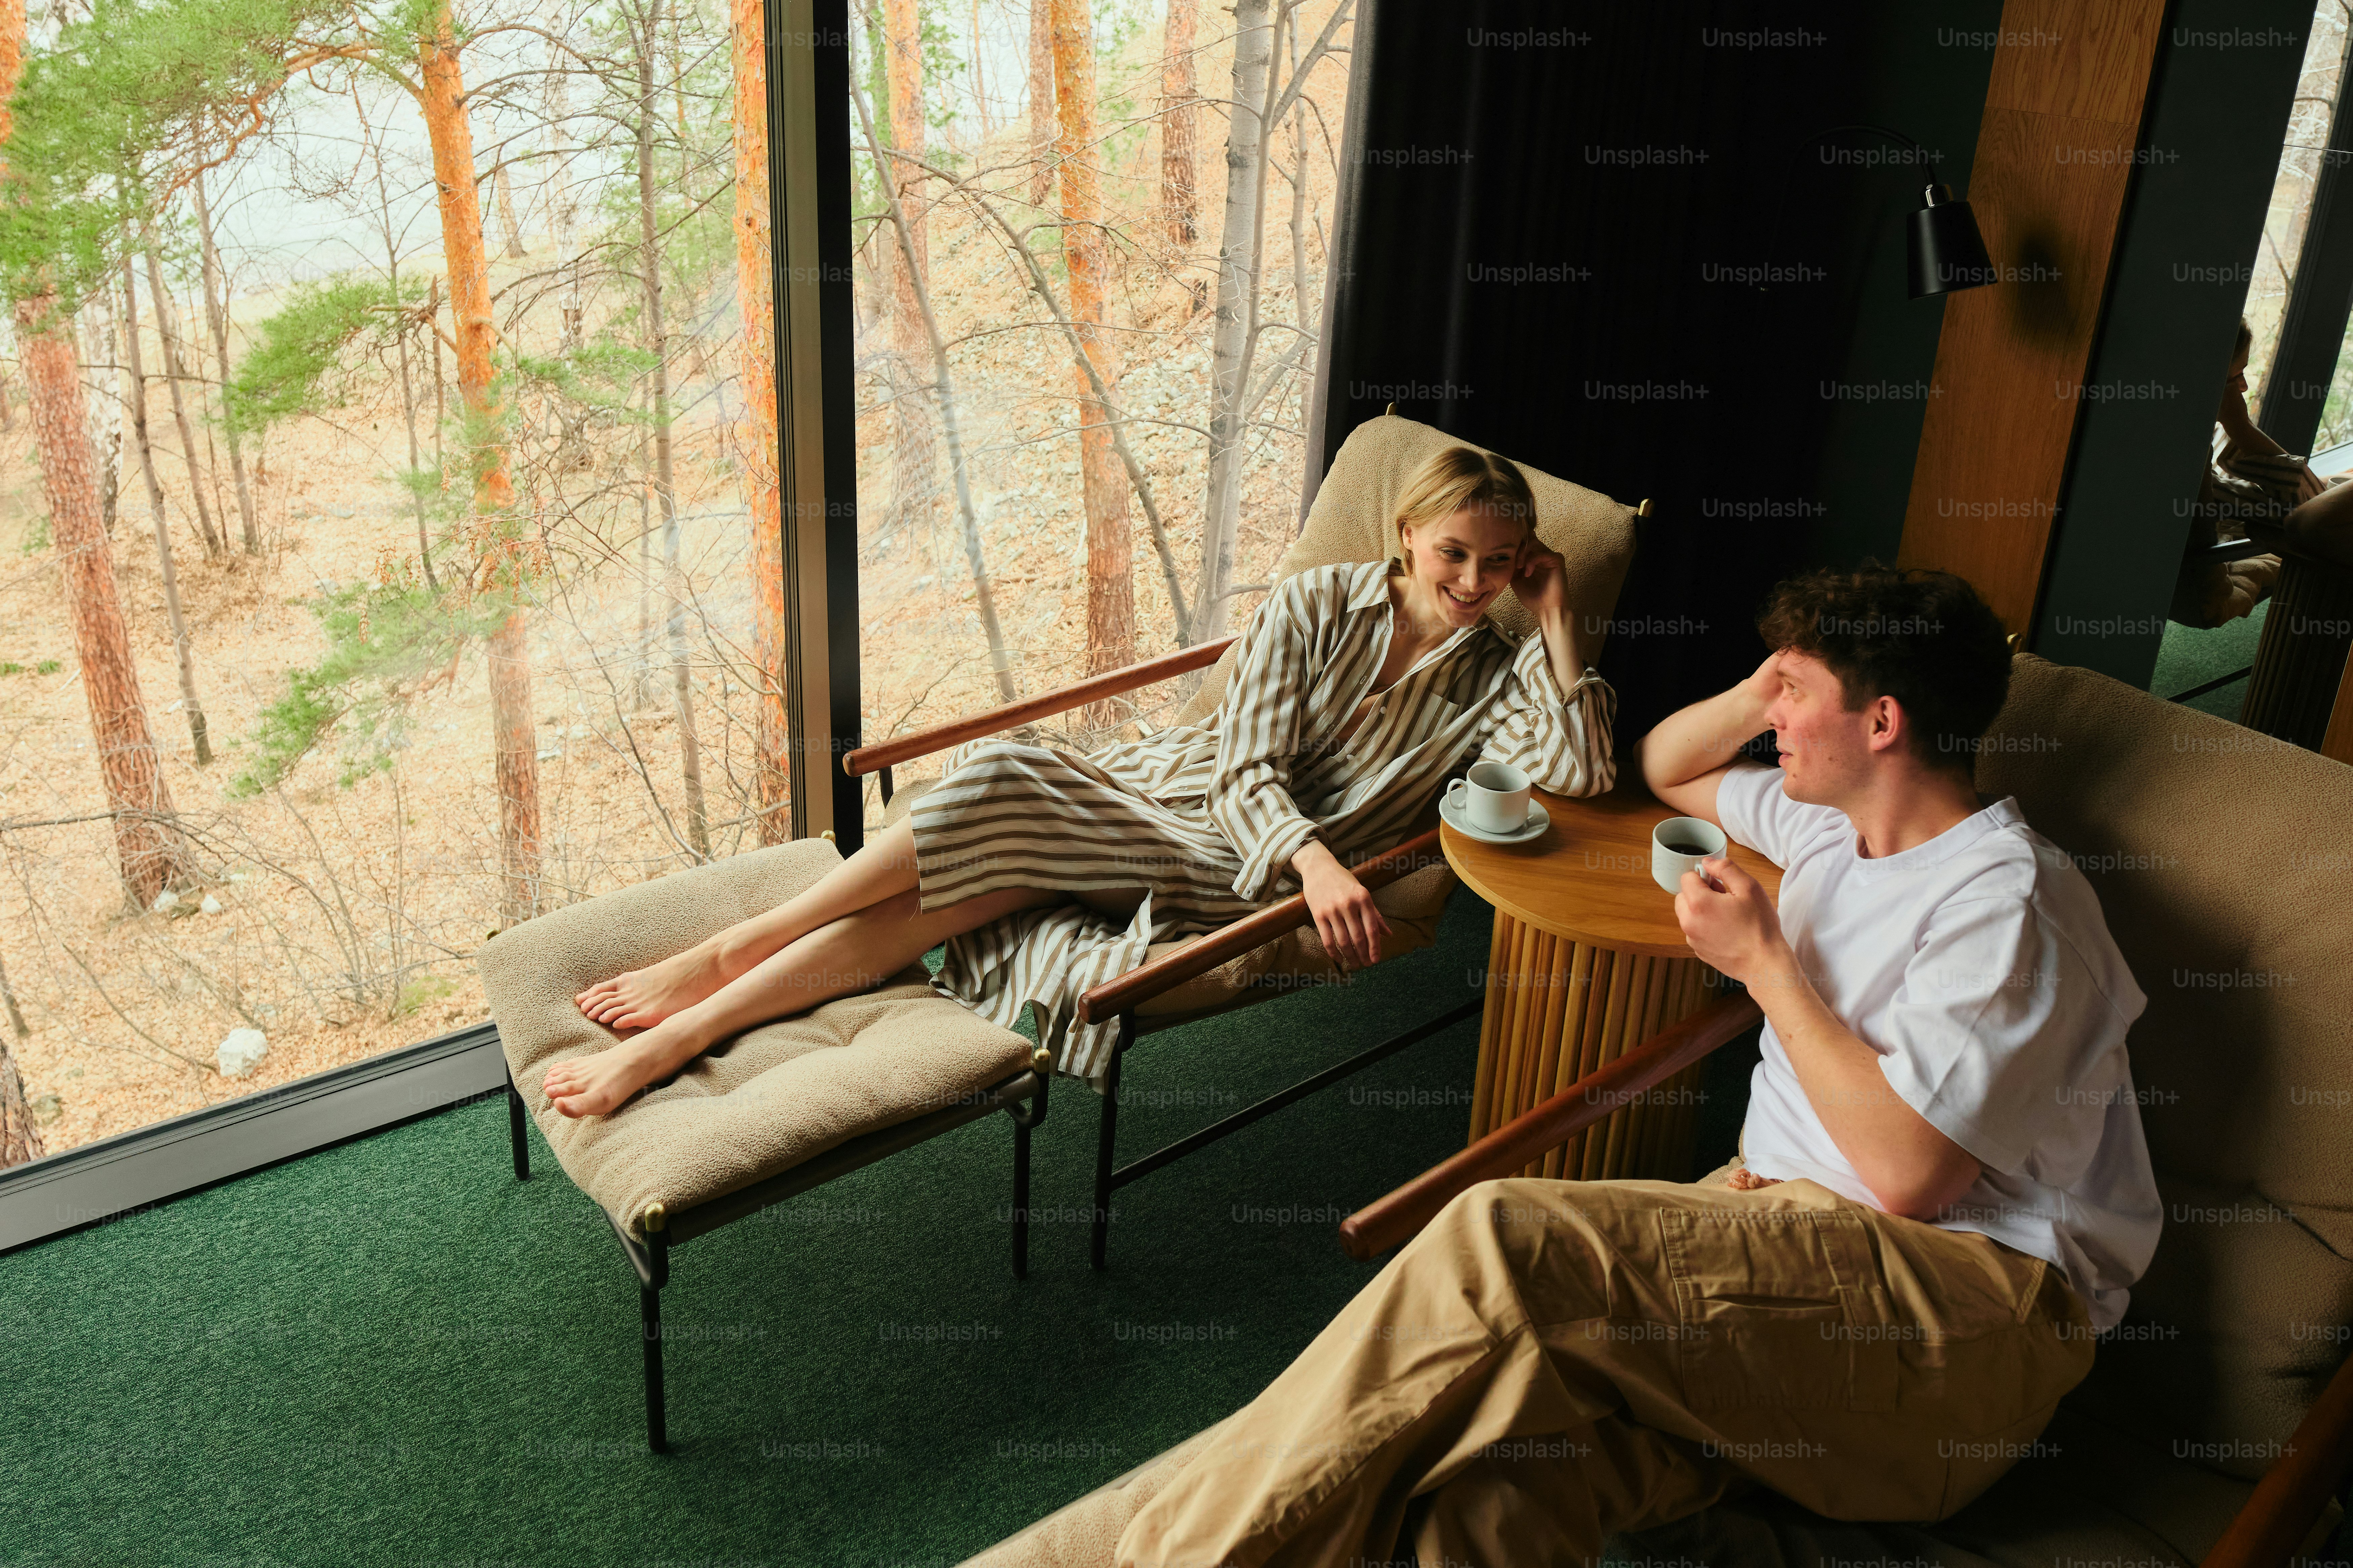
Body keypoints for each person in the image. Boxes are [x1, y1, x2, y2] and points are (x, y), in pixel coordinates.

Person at [1115, 564, 2162, 1567]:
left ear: (1881, 723)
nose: (1770, 719)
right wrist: (1771, 680)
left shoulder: (2006, 904)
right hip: (1792, 1244)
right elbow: (1669, 762)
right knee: (1511, 1472)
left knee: (1506, 1234)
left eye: (1792, 694)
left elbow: (1908, 1175)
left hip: (1965, 1323)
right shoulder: (1835, 829)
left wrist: (1764, 965)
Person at [546, 447, 1617, 1116]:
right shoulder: (1318, 604)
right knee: (978, 881)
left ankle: (722, 968)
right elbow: (1241, 764)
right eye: (1453, 554)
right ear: (1405, 535)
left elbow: (1578, 770)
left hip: (1236, 874)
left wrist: (1560, 616)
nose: (1475, 583)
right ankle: (706, 1003)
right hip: (1193, 804)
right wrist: (1319, 860)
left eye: (1501, 561)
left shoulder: (1502, 669)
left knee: (1011, 777)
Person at [2172, 319, 2322, 628]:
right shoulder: (2187, 453)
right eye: (2237, 376)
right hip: (2202, 579)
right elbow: (2314, 511)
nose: (2244, 387)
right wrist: (2241, 428)